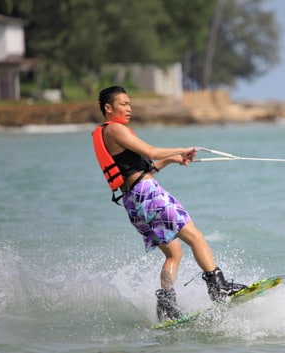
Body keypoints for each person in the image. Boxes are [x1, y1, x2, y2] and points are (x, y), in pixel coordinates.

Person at [93, 86, 246, 322]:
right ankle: (219, 288)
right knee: (196, 237)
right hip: (148, 194)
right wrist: (182, 148)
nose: (129, 108)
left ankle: (166, 306)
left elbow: (143, 169)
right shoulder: (114, 130)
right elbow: (150, 152)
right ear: (108, 108)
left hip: (134, 202)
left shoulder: (108, 135)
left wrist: (172, 159)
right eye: (123, 104)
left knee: (173, 254)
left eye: (130, 103)